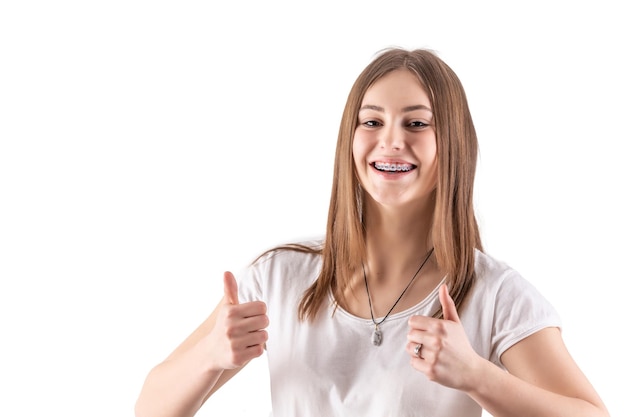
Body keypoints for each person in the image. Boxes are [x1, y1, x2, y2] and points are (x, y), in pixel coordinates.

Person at [134, 48, 610, 417]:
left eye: (417, 123)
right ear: (351, 138)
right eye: (372, 121)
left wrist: (477, 377)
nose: (391, 140)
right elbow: (150, 407)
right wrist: (212, 356)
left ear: (454, 144)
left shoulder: (492, 293)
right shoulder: (277, 278)